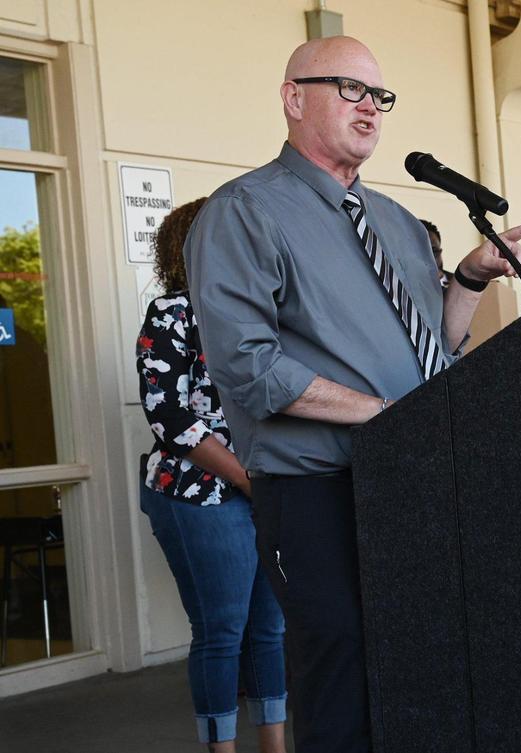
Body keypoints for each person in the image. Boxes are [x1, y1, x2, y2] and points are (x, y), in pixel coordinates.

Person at [184, 36, 521, 753]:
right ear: (294, 98)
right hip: (314, 489)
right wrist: (388, 419)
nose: (370, 108)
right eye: (349, 89)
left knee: (420, 663)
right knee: (341, 672)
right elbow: (250, 367)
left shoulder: (400, 223)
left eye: (379, 95)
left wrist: (470, 279)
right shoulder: (243, 212)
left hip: (409, 483)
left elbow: (432, 350)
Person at [136, 199, 287, 753]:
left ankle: (275, 746)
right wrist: (248, 477)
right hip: (198, 492)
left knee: (270, 630)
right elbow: (169, 416)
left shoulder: (261, 311)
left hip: (269, 485)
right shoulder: (171, 313)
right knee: (222, 632)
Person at [420, 218, 452, 287]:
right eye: (421, 251)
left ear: (440, 251)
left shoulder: (461, 284)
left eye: (433, 251)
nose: (429, 257)